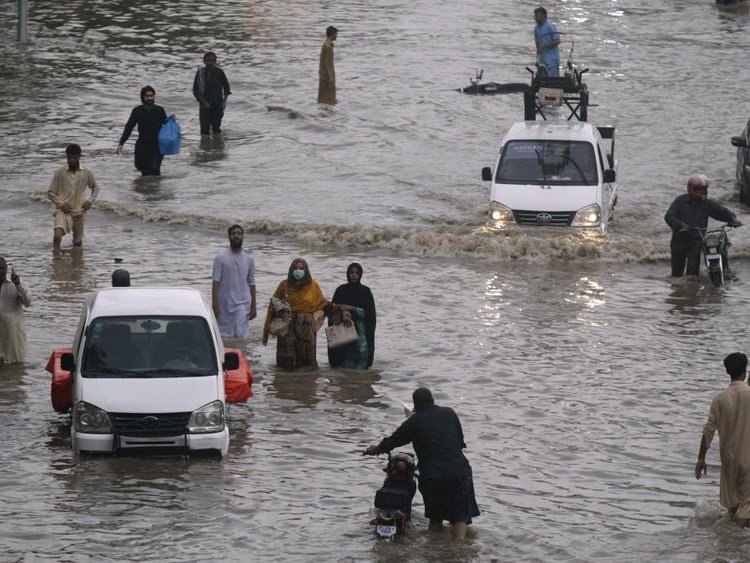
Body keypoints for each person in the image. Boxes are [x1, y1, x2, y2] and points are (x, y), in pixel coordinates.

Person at [364, 387, 480, 540]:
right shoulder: (449, 413)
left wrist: (375, 449)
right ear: (432, 400)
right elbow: (460, 442)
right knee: (460, 516)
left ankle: (434, 549)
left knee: (435, 519)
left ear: (415, 405)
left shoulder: (414, 421)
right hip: (458, 472)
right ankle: (457, 549)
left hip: (432, 477)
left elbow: (393, 441)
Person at [262, 258, 352, 369]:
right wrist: (281, 313)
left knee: (307, 367)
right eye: (295, 268)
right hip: (288, 329)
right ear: (291, 270)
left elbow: (323, 304)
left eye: (301, 268)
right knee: (285, 367)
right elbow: (273, 304)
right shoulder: (284, 285)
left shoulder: (312, 286)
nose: (298, 271)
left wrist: (342, 312)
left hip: (307, 330)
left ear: (306, 270)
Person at [695, 353, 750, 528]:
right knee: (747, 504)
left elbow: (708, 431)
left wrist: (701, 458)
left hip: (728, 460)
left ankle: (727, 539)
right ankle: (735, 541)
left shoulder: (719, 398)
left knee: (732, 505)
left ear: (728, 372)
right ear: (745, 370)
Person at [664, 174, 742, 277]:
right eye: (698, 189)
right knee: (676, 272)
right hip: (679, 240)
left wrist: (733, 219)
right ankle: (677, 289)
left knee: (692, 272)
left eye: (703, 189)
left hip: (696, 240)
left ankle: (691, 289)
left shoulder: (707, 203)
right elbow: (669, 216)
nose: (701, 192)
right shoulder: (680, 201)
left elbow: (720, 211)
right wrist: (681, 225)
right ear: (690, 188)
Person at [47, 144, 100, 249]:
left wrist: (90, 201)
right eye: (69, 157)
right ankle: (56, 257)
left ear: (79, 157)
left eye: (74, 158)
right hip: (63, 210)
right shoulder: (59, 173)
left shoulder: (86, 172)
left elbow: (95, 187)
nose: (71, 160)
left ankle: (77, 262)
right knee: (57, 235)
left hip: (79, 211)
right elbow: (50, 193)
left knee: (77, 243)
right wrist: (61, 204)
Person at [328, 262, 376, 369]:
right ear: (347, 274)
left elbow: (370, 315)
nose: (354, 275)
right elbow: (332, 311)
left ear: (360, 275)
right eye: (351, 272)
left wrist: (352, 308)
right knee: (342, 372)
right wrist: (343, 312)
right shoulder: (341, 290)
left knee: (361, 372)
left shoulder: (366, 292)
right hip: (342, 335)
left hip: (360, 338)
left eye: (356, 273)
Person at [212, 225, 257, 339]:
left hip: (243, 302)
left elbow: (252, 283)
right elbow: (215, 282)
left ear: (242, 237)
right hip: (224, 303)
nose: (236, 235)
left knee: (240, 332)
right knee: (224, 335)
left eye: (239, 233)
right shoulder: (220, 257)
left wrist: (253, 306)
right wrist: (215, 304)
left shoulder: (249, 258)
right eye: (233, 233)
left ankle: (242, 354)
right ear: (229, 237)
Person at [116, 86, 168, 176]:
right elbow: (129, 127)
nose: (150, 98)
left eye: (152, 96)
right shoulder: (137, 111)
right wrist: (121, 143)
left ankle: (155, 188)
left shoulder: (160, 110)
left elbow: (167, 126)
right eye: (147, 96)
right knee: (143, 169)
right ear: (142, 97)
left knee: (155, 170)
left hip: (157, 146)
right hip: (142, 145)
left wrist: (172, 121)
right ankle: (146, 188)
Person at [0, 257, 31, 364]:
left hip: (13, 335)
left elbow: (28, 302)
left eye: (2, 268)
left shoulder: (16, 283)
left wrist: (18, 285)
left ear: (6, 269)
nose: (0, 271)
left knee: (16, 368)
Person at [193, 51, 231, 136]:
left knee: (216, 129)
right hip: (204, 106)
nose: (210, 63)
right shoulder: (200, 73)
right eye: (207, 61)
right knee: (204, 131)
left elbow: (226, 88)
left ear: (215, 61)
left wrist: (224, 102)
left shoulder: (220, 72)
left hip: (218, 105)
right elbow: (195, 90)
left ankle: (216, 147)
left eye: (212, 61)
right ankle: (205, 148)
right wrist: (203, 102)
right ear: (204, 61)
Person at [534, 7, 561, 78]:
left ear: (543, 16)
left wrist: (544, 46)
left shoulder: (550, 26)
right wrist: (538, 49)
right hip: (542, 60)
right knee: (542, 80)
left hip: (551, 60)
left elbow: (558, 41)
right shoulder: (537, 28)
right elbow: (537, 42)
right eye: (535, 16)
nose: (535, 18)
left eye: (537, 16)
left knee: (553, 81)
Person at [318, 26, 338, 105]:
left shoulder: (328, 45)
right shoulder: (327, 46)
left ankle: (325, 112)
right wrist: (330, 76)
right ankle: (327, 114)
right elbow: (326, 63)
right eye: (336, 34)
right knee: (326, 97)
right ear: (332, 34)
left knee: (324, 96)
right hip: (327, 75)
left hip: (326, 73)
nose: (337, 36)